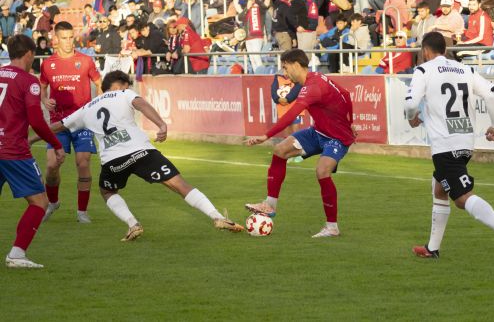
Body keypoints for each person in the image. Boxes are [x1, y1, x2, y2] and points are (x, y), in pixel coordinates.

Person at [32, 71, 243, 241]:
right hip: (141, 152)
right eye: (127, 85)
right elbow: (140, 103)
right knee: (180, 184)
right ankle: (217, 217)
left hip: (113, 161)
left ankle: (133, 224)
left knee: (107, 191)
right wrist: (161, 124)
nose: (129, 88)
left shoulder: (86, 109)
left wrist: (31, 139)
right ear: (120, 85)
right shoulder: (124, 94)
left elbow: (58, 126)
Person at [404, 31, 494, 264]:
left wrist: (412, 117)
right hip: (465, 142)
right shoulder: (465, 69)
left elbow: (411, 103)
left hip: (444, 145)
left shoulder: (423, 71)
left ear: (425, 51)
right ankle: (432, 248)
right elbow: (489, 95)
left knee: (460, 198)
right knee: (439, 189)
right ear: (445, 50)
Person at [246, 48, 355, 238]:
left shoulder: (312, 87)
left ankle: (332, 227)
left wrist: (266, 135)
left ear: (296, 65)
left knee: (322, 171)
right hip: (318, 131)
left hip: (337, 137)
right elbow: (345, 94)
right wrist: (351, 121)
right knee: (280, 150)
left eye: (286, 68)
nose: (285, 74)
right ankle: (269, 205)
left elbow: (292, 114)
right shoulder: (315, 78)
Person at [1, 35, 66, 268]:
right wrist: (57, 144)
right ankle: (17, 255)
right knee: (39, 201)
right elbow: (37, 122)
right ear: (29, 53)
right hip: (13, 151)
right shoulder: (29, 81)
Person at [39, 21, 102, 223]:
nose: (68, 42)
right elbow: (42, 85)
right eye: (64, 38)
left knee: (82, 163)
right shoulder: (48, 64)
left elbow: (99, 84)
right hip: (58, 122)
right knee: (51, 166)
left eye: (70, 37)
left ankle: (82, 212)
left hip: (82, 121)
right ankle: (53, 202)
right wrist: (44, 99)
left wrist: (98, 102)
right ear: (55, 39)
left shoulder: (85, 60)